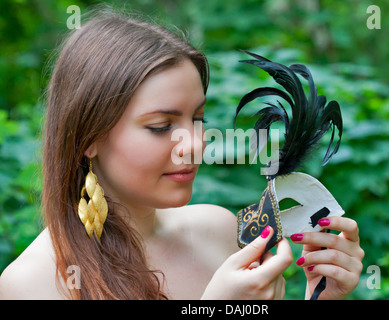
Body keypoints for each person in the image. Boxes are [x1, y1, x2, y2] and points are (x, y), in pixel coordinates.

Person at [0, 8, 364, 300]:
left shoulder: (220, 231)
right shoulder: (32, 284)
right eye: (161, 126)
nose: (194, 144)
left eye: (199, 118)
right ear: (87, 137)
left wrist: (321, 296)